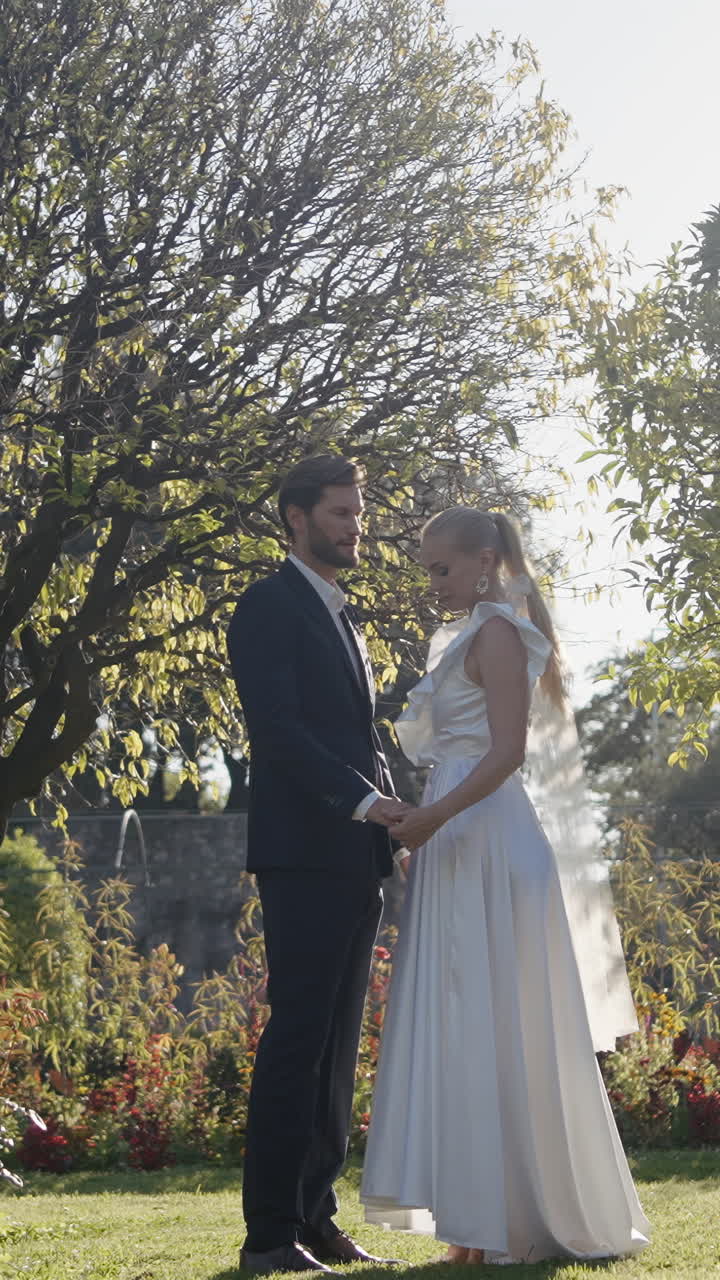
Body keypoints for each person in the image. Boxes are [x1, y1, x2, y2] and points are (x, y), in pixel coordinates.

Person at [360, 506, 651, 1265]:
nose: (433, 584)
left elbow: (508, 753)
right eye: (428, 570)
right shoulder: (465, 634)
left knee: (495, 1024)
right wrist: (429, 821)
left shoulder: (495, 633)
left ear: (485, 560)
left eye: (442, 569)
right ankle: (475, 1222)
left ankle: (507, 1220)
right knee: (467, 1026)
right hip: (457, 833)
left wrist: (432, 819)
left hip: (486, 834)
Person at [227, 454, 407, 1276]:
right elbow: (280, 731)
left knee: (336, 1046)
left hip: (355, 857)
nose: (355, 526)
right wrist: (368, 805)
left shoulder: (342, 616)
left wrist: (398, 821)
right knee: (298, 1040)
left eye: (358, 513)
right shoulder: (268, 605)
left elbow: (358, 738)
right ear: (295, 517)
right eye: (341, 513)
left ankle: (316, 1216)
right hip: (303, 857)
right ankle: (269, 1235)